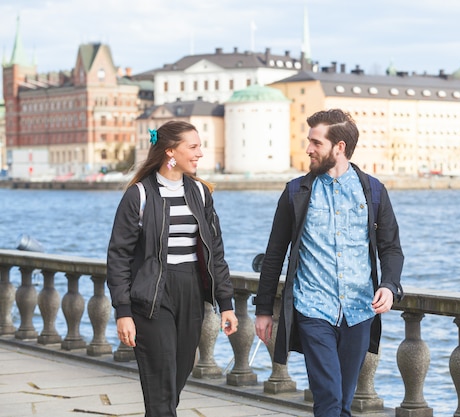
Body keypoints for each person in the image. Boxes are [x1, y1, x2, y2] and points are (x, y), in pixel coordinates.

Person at [254, 109, 404, 417]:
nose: (308, 149)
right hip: (313, 310)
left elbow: (391, 249)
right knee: (329, 401)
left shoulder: (373, 191)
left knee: (342, 404)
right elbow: (274, 255)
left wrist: (389, 286)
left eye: (315, 143)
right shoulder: (296, 192)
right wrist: (263, 310)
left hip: (360, 312)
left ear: (339, 147)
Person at [106, 120, 238, 417]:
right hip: (152, 296)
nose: (200, 153)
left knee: (179, 372)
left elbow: (215, 252)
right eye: (192, 147)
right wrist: (123, 311)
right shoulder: (138, 195)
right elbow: (118, 257)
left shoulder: (200, 193)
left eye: (199, 146)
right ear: (170, 152)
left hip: (191, 290)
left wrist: (226, 304)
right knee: (161, 376)